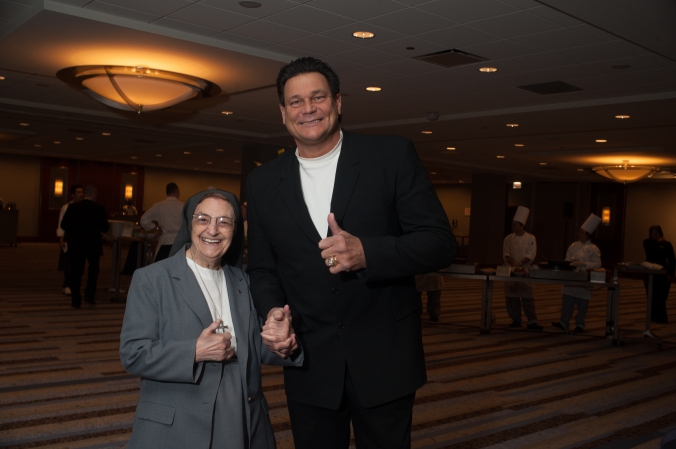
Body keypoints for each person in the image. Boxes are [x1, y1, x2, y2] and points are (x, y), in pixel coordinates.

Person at [246, 56, 456, 449]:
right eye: (295, 101)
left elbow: (439, 242)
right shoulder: (262, 182)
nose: (307, 109)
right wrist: (273, 312)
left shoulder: (390, 157)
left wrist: (368, 253)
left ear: (338, 102)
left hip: (385, 356)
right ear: (282, 112)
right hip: (308, 359)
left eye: (317, 97)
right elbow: (262, 269)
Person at [120, 189, 303, 449]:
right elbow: (133, 354)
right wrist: (194, 351)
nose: (213, 230)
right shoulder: (151, 279)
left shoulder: (244, 281)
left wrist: (285, 345)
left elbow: (253, 344)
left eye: (224, 222)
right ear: (190, 223)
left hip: (243, 422)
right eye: (203, 219)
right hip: (177, 427)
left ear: (235, 230)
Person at [60, 185, 109, 308]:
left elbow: (64, 225)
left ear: (84, 194)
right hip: (94, 244)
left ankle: (76, 300)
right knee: (93, 271)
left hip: (76, 244)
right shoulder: (99, 208)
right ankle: (89, 296)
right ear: (94, 195)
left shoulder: (72, 207)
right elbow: (105, 228)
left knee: (76, 272)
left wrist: (74, 232)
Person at [552, 214, 602, 332]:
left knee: (582, 304)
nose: (579, 234)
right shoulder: (573, 245)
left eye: (581, 232)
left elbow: (597, 264)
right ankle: (563, 322)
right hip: (571, 276)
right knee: (567, 301)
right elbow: (567, 259)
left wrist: (584, 264)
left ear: (588, 234)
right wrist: (572, 263)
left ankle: (580, 324)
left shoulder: (594, 248)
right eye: (579, 232)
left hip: (584, 278)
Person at [503, 206, 543, 330]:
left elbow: (531, 254)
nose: (512, 227)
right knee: (511, 296)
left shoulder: (531, 238)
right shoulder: (508, 238)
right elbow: (506, 253)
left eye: (515, 224)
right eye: (512, 224)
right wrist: (513, 264)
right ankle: (516, 319)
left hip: (525, 270)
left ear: (521, 225)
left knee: (528, 297)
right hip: (511, 270)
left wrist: (519, 263)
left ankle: (532, 321)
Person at [140, 182, 183, 262]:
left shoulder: (159, 206)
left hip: (164, 241)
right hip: (179, 243)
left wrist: (155, 227)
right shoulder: (183, 206)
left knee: (161, 269)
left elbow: (143, 220)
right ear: (177, 191)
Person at [643, 225, 675, 323]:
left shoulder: (667, 244)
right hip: (649, 272)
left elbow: (672, 259)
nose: (654, 234)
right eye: (652, 233)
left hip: (662, 273)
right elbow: (649, 249)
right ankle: (651, 317)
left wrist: (670, 273)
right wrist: (657, 242)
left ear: (660, 233)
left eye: (656, 233)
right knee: (650, 295)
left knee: (661, 296)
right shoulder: (646, 242)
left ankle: (661, 318)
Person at [56, 184, 84, 295]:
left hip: (81, 238)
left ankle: (75, 284)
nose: (81, 194)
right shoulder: (66, 207)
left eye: (82, 192)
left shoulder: (84, 207)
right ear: (73, 195)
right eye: (78, 192)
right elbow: (61, 225)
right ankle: (67, 284)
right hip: (69, 237)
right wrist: (61, 239)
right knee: (67, 262)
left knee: (79, 263)